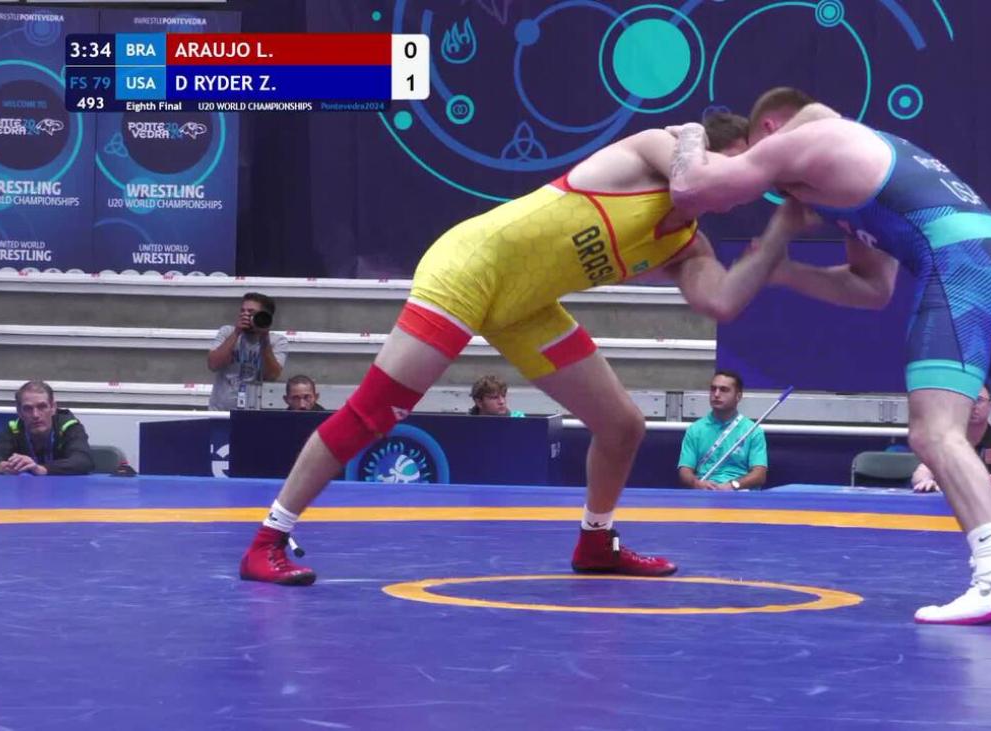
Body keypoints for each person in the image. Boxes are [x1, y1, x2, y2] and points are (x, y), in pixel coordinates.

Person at [239, 112, 812, 586]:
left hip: (525, 307)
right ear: (708, 151)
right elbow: (689, 181)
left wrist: (781, 234)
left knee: (622, 426)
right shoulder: (657, 148)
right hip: (470, 267)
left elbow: (721, 301)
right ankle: (268, 539)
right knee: (375, 412)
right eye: (740, 164)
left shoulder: (689, 243)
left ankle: (596, 541)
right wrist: (692, 134)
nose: (746, 182)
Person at [665, 88, 991, 624]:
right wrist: (786, 273)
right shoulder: (854, 159)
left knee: (933, 433)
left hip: (963, 267)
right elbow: (872, 289)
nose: (758, 184)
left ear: (769, 128)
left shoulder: (805, 136)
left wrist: (687, 134)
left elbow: (692, 186)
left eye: (751, 158)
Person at [912, 386, 991, 493]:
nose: (972, 405)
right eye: (967, 400)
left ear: (990, 405)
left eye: (979, 400)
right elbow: (921, 473)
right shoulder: (945, 437)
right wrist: (925, 481)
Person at [678, 370, 767, 490]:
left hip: (739, 491)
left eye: (724, 390)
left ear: (738, 396)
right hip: (705, 491)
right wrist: (697, 484)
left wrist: (732, 485)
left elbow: (759, 475)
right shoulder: (695, 429)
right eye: (713, 389)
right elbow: (685, 471)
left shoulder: (753, 431)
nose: (716, 394)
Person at [0, 381, 93, 476]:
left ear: (53, 407)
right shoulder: (14, 429)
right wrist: (4, 466)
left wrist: (42, 469)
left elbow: (82, 461)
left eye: (42, 407)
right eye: (28, 408)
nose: (35, 415)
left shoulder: (69, 426)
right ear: (19, 412)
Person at [207, 292, 288, 411]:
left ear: (264, 316)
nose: (245, 315)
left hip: (255, 412)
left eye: (251, 312)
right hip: (221, 411)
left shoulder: (277, 341)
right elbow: (213, 364)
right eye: (242, 311)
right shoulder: (227, 332)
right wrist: (236, 333)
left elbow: (271, 375)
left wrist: (264, 337)